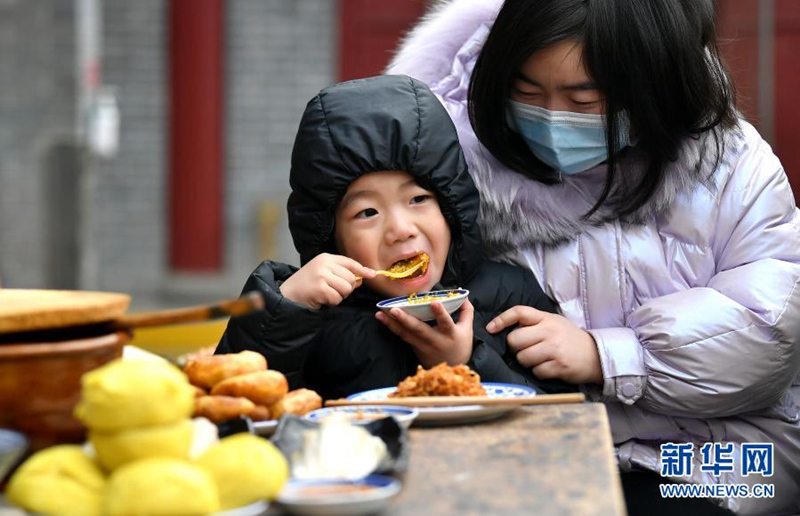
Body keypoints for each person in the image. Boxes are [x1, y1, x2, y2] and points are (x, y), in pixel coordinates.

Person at [386, 0, 800, 514]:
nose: (554, 119)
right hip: (537, 455)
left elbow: (769, 333)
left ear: (650, 84)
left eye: (583, 101)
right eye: (529, 93)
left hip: (717, 458)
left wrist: (607, 357)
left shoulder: (734, 163)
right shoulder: (457, 175)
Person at [216, 74, 571, 401]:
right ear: (331, 236)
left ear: (452, 209)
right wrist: (286, 308)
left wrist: (464, 361)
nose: (401, 229)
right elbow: (235, 407)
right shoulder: (312, 311)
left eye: (418, 199)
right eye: (367, 212)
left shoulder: (511, 294)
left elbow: (561, 413)